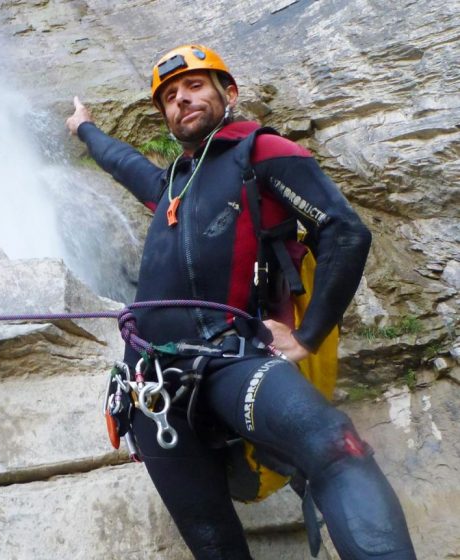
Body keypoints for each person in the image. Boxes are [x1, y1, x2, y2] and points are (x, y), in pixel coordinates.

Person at [66, 44, 416, 559]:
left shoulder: (261, 152)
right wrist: (84, 128)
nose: (180, 99)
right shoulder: (171, 187)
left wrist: (307, 334)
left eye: (194, 86)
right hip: (150, 387)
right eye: (168, 96)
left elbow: (343, 231)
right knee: (211, 541)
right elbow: (123, 162)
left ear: (227, 93)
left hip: (230, 358)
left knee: (333, 444)